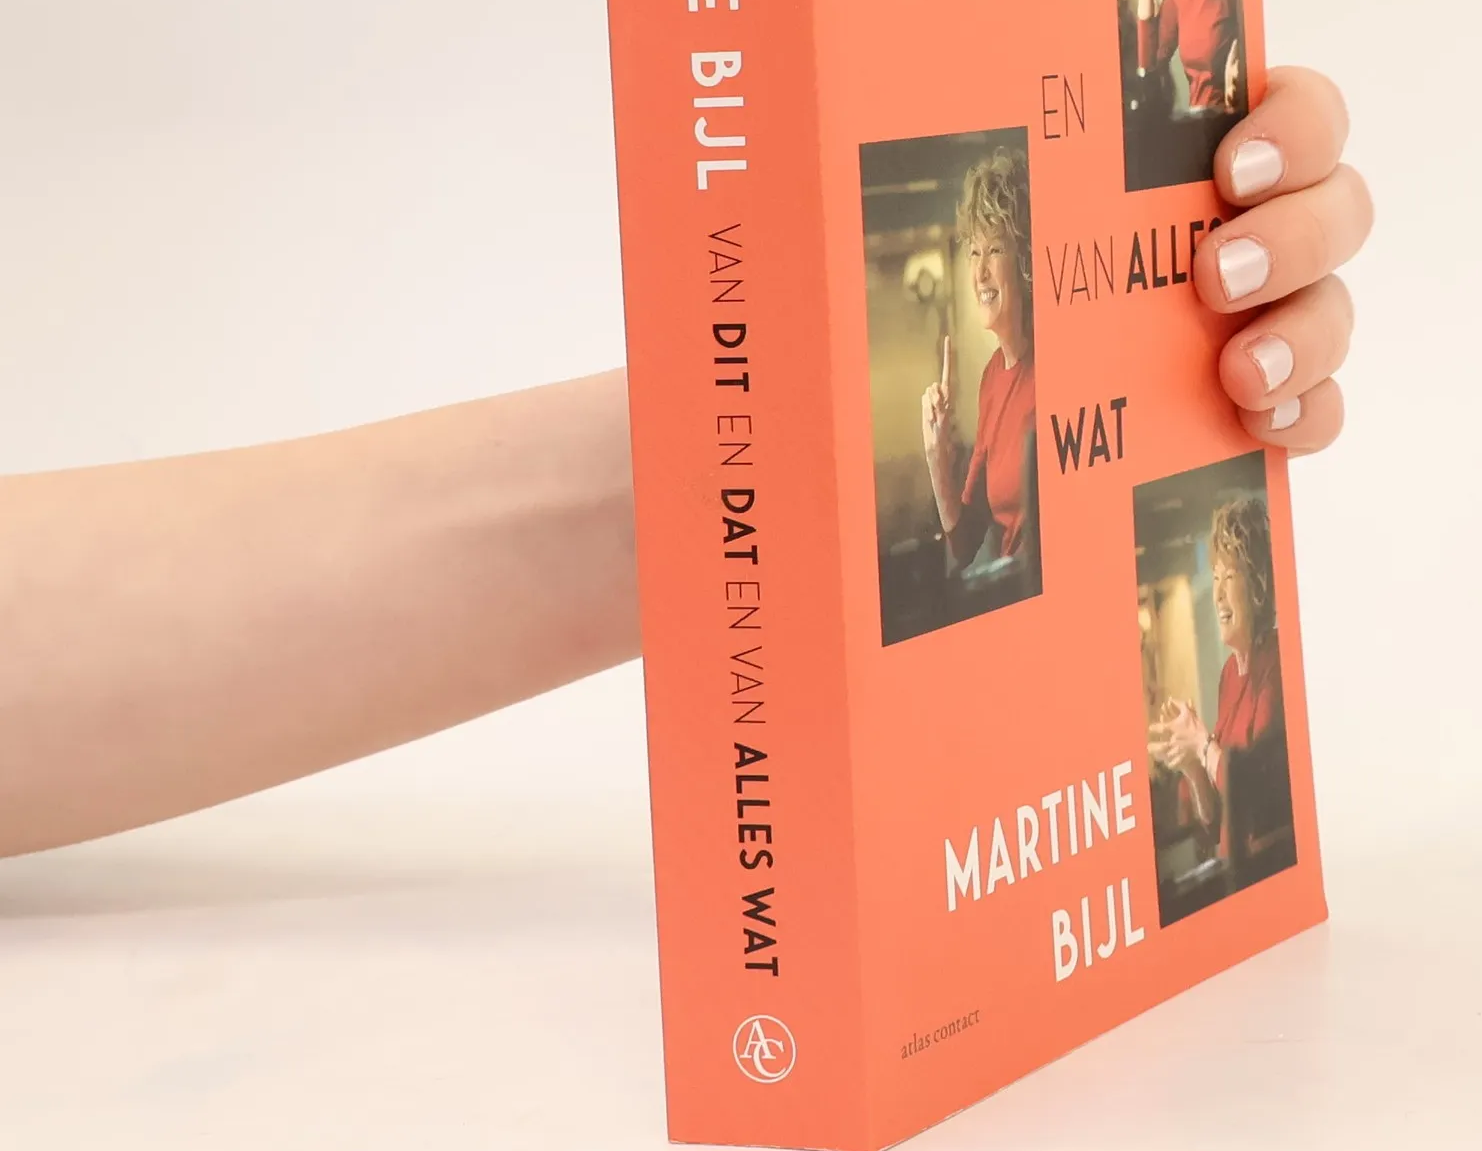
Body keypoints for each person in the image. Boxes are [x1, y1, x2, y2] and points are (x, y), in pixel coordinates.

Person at [0, 69, 1369, 861]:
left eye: (997, 259)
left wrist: (754, 452)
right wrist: (809, 461)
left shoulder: (1014, 386)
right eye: (982, 259)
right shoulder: (979, 389)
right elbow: (960, 537)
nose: (987, 283)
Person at [919, 146, 1037, 571]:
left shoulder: (1057, 366)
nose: (980, 272)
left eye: (996, 250)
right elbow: (965, 542)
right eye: (974, 251)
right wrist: (937, 458)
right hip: (1015, 592)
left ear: (1026, 261)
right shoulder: (992, 377)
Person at [1149, 494, 1282, 837]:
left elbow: (1253, 799)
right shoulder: (1229, 676)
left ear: (1258, 583)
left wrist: (1201, 742)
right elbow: (1215, 820)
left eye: (1230, 576)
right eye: (1215, 577)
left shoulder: (1276, 662)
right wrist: (1192, 765)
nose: (1217, 594)